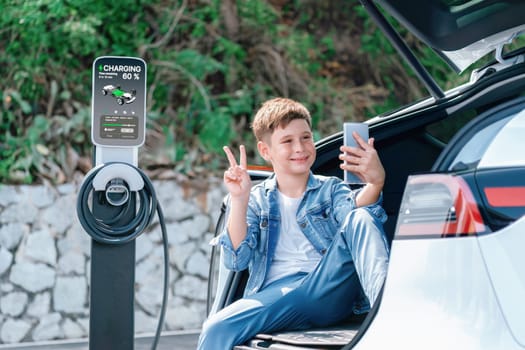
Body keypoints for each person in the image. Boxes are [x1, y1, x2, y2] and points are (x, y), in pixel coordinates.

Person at [197, 97, 389, 349]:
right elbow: (236, 261)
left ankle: (388, 309)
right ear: (266, 151)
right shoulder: (255, 199)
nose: (300, 147)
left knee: (362, 217)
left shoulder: (330, 189)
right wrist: (239, 199)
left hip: (328, 284)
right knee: (216, 328)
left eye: (306, 137)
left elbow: (353, 218)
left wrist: (375, 184)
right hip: (279, 296)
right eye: (287, 141)